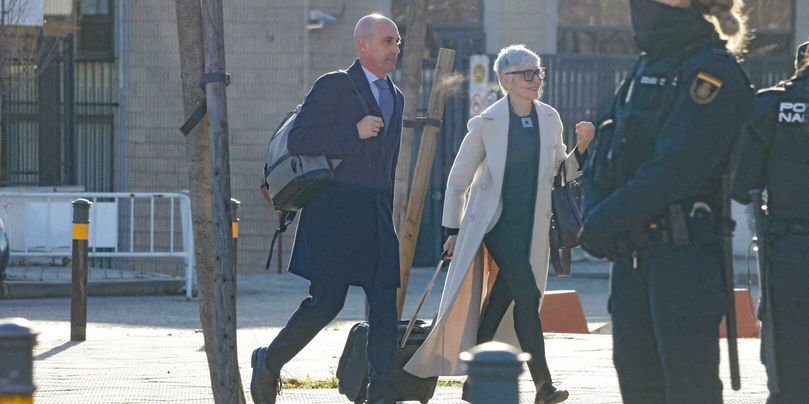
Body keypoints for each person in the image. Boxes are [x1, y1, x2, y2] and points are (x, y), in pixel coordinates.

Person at [578, 1, 753, 403]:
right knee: (638, 385)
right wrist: (593, 211)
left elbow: (676, 169)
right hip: (632, 256)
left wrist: (606, 220)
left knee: (687, 387)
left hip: (683, 259)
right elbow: (607, 149)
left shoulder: (711, 70)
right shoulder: (645, 66)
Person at [404, 44, 593, 404]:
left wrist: (582, 148)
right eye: (527, 74)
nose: (536, 80)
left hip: (533, 228)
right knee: (528, 296)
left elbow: (559, 173)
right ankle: (544, 385)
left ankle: (475, 382)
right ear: (505, 80)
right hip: (497, 227)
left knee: (499, 304)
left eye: (539, 72)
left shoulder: (550, 118)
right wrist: (453, 231)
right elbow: (458, 179)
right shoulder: (486, 122)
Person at [249, 14, 403, 404]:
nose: (395, 49)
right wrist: (352, 132)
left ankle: (381, 393)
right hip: (335, 214)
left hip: (377, 214)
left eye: (397, 42)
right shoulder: (335, 85)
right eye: (387, 41)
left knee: (385, 303)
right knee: (327, 302)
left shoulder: (395, 96)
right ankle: (269, 361)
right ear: (363, 45)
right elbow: (301, 139)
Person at [731, 40, 809, 404]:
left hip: (787, 244)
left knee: (784, 336)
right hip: (785, 240)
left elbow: (743, 183)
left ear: (798, 65)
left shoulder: (770, 104)